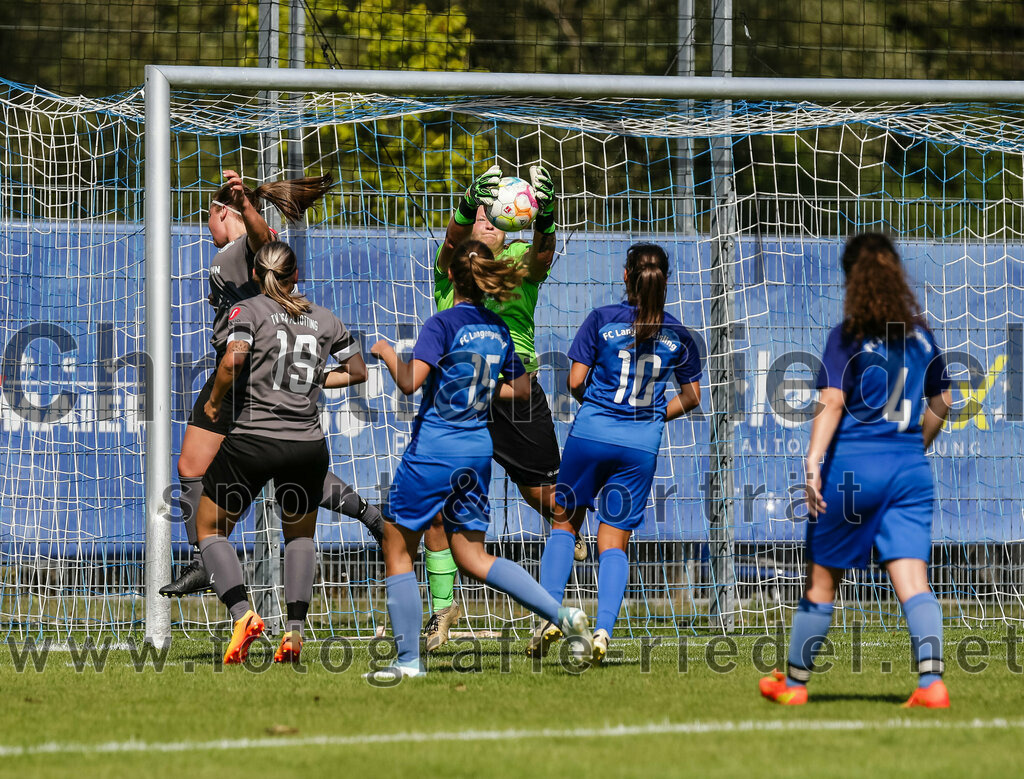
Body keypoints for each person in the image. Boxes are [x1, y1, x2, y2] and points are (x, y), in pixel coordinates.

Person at [366, 239, 590, 681]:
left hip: (435, 449)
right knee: (472, 556)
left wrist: (388, 354)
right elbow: (522, 391)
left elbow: (411, 383)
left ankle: (409, 661)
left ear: (452, 276)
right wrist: (481, 389)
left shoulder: (441, 323)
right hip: (476, 452)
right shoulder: (497, 329)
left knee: (397, 546)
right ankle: (560, 614)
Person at [161, 170, 384, 597]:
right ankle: (369, 514)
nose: (204, 228)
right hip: (248, 369)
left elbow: (263, 240)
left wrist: (246, 204)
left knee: (250, 465)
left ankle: (202, 561)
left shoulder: (245, 247)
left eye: (205, 218)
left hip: (244, 372)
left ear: (220, 212)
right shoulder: (235, 251)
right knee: (280, 465)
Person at [759, 233, 952, 707]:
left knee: (822, 582)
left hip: (854, 472)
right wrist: (912, 445)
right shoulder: (922, 336)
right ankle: (932, 685)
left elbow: (832, 401)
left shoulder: (849, 336)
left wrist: (812, 462)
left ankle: (796, 685)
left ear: (852, 278)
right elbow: (944, 402)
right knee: (913, 580)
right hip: (909, 471)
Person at [420, 163, 586, 653]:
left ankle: (552, 607)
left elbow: (543, 254)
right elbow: (451, 242)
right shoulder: (450, 270)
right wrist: (469, 200)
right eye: (482, 217)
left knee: (553, 503)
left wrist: (548, 214)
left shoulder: (518, 263)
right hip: (460, 401)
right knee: (433, 509)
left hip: (516, 398)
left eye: (496, 217)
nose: (490, 222)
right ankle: (442, 610)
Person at [196, 241, 366, 664]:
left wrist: (216, 401)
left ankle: (242, 614)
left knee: (210, 529)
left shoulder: (248, 310)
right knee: (300, 536)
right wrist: (315, 382)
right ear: (296, 275)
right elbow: (358, 371)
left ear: (256, 274)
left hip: (253, 439)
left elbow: (234, 360)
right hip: (307, 446)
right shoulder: (326, 319)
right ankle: (293, 632)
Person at [531, 243, 702, 662]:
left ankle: (552, 615)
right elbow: (692, 397)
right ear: (665, 279)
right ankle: (604, 630)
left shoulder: (602, 320)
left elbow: (574, 381)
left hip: (591, 434)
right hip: (639, 445)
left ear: (626, 276)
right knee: (614, 542)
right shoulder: (679, 335)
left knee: (564, 525)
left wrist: (602, 406)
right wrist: (655, 413)